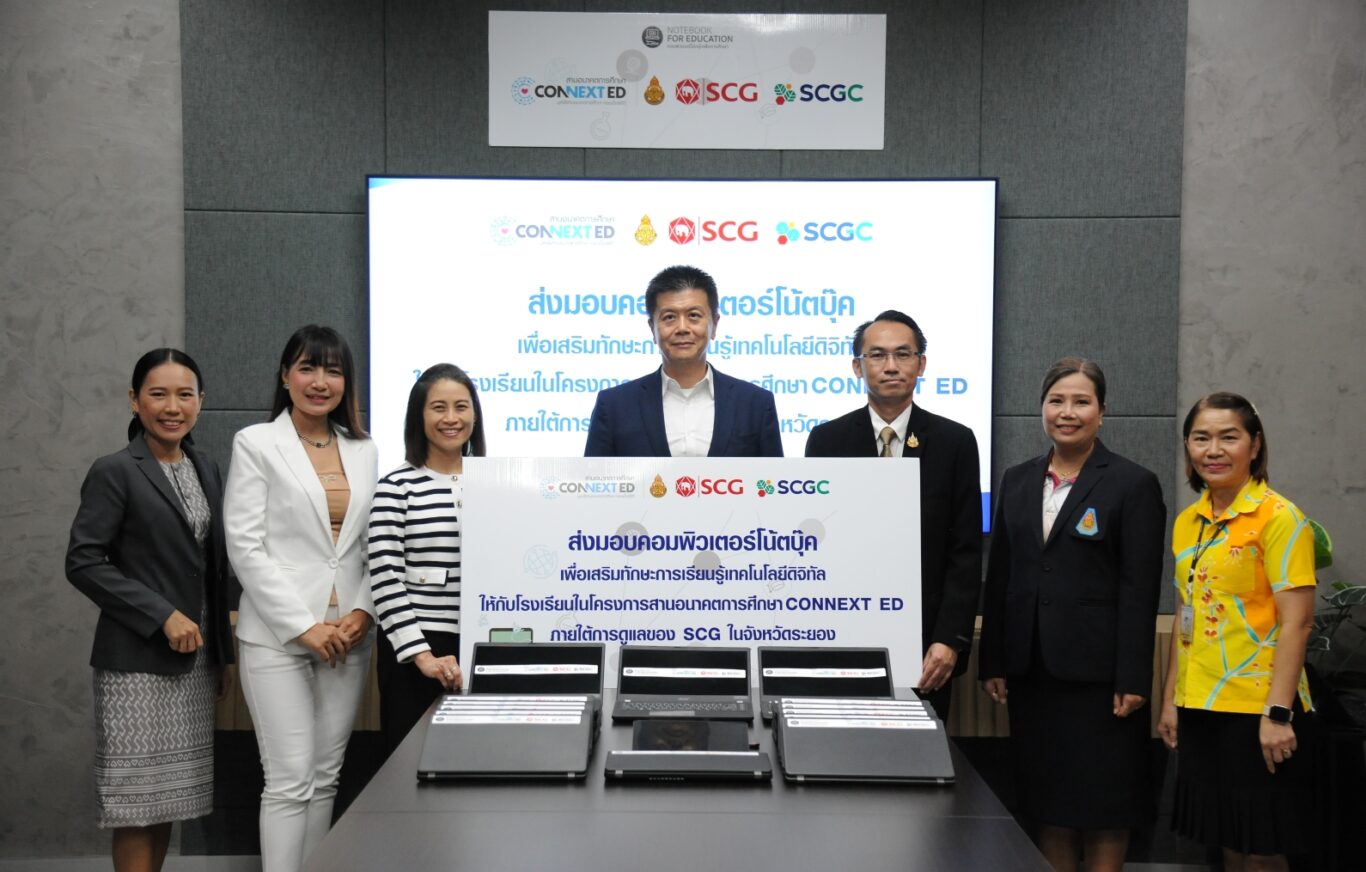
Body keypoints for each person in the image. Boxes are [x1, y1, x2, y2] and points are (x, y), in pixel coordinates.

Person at [978, 358, 1166, 872]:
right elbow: (1002, 577)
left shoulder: (1132, 483)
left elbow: (1139, 589)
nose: (1067, 412)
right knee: (1050, 807)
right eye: (1056, 401)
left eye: (1081, 402)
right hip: (1032, 673)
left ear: (1102, 412)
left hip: (1101, 680)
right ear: (1041, 409)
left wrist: (1133, 677)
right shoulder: (1017, 479)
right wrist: (994, 659)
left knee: (1105, 807)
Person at [65, 348, 234, 872]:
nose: (172, 407)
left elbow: (213, 568)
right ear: (134, 400)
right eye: (158, 394)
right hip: (136, 663)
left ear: (201, 401)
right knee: (137, 807)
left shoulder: (206, 467)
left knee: (167, 803)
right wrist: (161, 614)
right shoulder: (115, 470)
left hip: (193, 661)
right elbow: (83, 562)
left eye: (185, 395)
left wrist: (220, 655)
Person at [223, 325, 378, 872]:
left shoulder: (364, 449)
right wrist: (302, 625)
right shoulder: (256, 442)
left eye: (333, 371)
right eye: (308, 368)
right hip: (278, 635)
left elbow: (373, 544)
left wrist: (363, 610)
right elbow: (244, 545)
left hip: (348, 635)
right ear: (285, 376)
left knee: (325, 776)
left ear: (346, 382)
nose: (320, 382)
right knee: (289, 780)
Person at [1158, 392, 1316, 872]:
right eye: (1201, 438)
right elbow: (1186, 616)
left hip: (1258, 709)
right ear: (1187, 446)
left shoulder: (1279, 517)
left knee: (1262, 848)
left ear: (1255, 445)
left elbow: (1298, 622)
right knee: (1225, 839)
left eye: (1229, 437)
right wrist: (1172, 700)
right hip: (1202, 706)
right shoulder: (1188, 522)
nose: (1214, 450)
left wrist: (1278, 713)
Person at [804, 310, 981, 717]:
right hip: (844, 635)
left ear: (921, 364)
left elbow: (966, 551)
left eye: (903, 354)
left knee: (921, 750)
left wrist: (949, 639)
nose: (890, 366)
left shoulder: (955, 441)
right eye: (877, 355)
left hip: (926, 646)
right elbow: (818, 544)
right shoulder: (827, 440)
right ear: (857, 367)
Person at [368, 363, 485, 755]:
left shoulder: (496, 484)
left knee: (479, 763)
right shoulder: (396, 486)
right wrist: (423, 656)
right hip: (418, 651)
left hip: (482, 645)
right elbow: (385, 577)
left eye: (461, 407)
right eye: (438, 407)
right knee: (412, 765)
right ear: (418, 416)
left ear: (474, 415)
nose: (451, 418)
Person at [584, 264, 782, 457]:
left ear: (714, 325)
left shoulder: (755, 404)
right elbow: (593, 477)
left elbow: (774, 477)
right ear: (652, 329)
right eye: (669, 317)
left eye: (694, 315)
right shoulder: (613, 406)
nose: (682, 328)